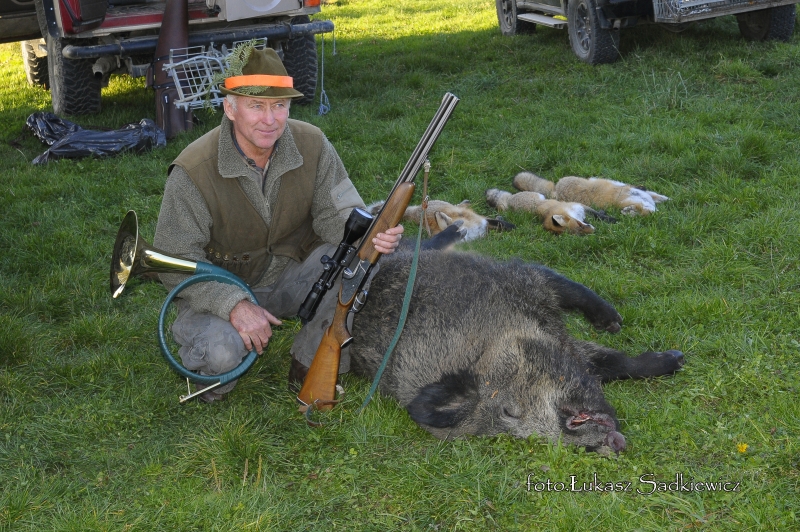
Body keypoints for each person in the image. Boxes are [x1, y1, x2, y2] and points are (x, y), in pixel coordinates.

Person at [153, 44, 403, 402]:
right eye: (256, 106)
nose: (270, 120)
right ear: (230, 108)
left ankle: (310, 361)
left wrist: (373, 236)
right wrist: (233, 304)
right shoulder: (193, 170)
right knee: (221, 354)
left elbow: (337, 217)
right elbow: (174, 258)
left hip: (289, 274)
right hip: (217, 286)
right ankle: (212, 371)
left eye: (279, 106)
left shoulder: (312, 144)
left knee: (359, 265)